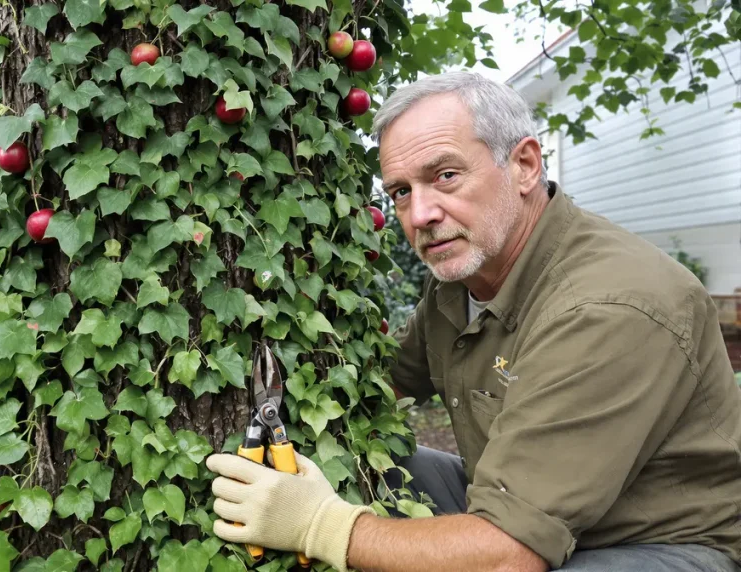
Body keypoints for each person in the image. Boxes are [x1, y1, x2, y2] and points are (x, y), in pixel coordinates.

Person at [204, 71, 741, 571]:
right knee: (379, 464)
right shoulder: (463, 283)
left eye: (446, 175)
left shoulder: (609, 307)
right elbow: (380, 386)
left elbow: (510, 555)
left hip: (660, 542)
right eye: (401, 192)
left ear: (525, 166)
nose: (419, 216)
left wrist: (319, 524)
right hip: (514, 500)